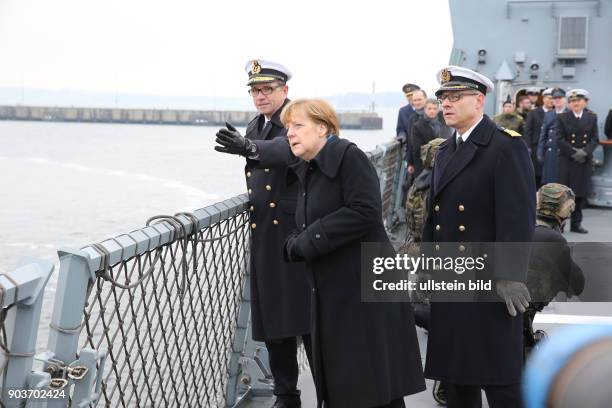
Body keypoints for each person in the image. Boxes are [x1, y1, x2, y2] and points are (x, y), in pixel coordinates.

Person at [282, 98, 426, 408]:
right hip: (340, 290)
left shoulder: (349, 157)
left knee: (372, 384)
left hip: (364, 290)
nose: (289, 133)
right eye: (287, 127)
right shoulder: (310, 167)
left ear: (323, 127)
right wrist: (294, 241)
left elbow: (365, 211)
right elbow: (307, 220)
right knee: (358, 383)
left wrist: (307, 241)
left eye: (297, 125)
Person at [423, 66, 535, 408]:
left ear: (479, 101)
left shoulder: (504, 148)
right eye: (443, 98)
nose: (446, 104)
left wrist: (508, 276)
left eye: (456, 97)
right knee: (457, 378)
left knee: (499, 380)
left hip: (488, 284)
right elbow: (435, 217)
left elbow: (517, 219)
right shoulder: (445, 151)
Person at [214, 59, 312, 408]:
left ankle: (331, 393)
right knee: (274, 321)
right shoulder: (257, 124)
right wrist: (248, 144)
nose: (260, 95)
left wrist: (250, 148)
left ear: (285, 90)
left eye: (267, 89)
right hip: (267, 239)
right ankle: (286, 395)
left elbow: (288, 150)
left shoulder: (297, 118)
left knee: (309, 321)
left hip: (296, 235)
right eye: (255, 90)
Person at [524, 183, 585, 356]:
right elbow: (577, 283)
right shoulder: (552, 239)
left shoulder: (521, 226)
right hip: (518, 316)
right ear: (564, 211)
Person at [555, 88, 599, 234]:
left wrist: (585, 152)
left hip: (583, 161)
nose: (575, 103)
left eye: (579, 100)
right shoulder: (562, 118)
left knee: (579, 194)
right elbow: (559, 138)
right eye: (572, 101)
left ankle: (576, 224)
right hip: (567, 160)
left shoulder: (592, 117)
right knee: (564, 195)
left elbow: (594, 138)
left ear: (585, 102)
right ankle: (560, 224)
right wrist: (573, 152)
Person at [409, 99, 452, 177]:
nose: (432, 111)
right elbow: (416, 148)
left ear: (438, 109)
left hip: (443, 164)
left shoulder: (445, 123)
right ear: (425, 109)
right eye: (429, 108)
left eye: (434, 108)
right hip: (424, 166)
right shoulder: (417, 126)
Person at [537, 88, 567, 184]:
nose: (557, 100)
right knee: (550, 182)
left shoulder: (569, 113)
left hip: (564, 154)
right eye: (554, 98)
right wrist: (540, 152)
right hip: (550, 153)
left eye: (560, 97)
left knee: (563, 182)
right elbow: (543, 135)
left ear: (565, 99)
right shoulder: (549, 115)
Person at [524, 88, 553, 187]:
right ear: (544, 99)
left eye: (553, 98)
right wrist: (528, 148)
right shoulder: (534, 113)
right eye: (549, 98)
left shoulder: (557, 114)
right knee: (536, 177)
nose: (551, 100)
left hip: (551, 150)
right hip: (536, 149)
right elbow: (527, 132)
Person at [405, 90, 428, 176]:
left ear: (425, 99)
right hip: (417, 160)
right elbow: (410, 141)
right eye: (415, 100)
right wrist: (410, 163)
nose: (417, 102)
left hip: (434, 158)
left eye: (419, 99)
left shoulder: (434, 114)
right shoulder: (412, 118)